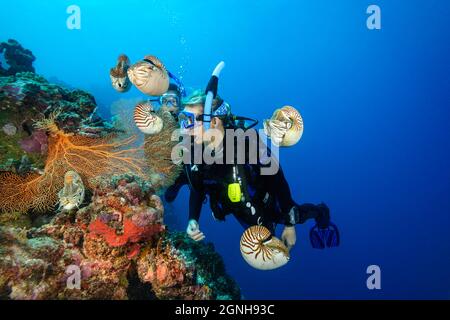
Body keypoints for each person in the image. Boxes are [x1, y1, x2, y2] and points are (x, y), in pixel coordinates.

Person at [165, 90, 340, 251]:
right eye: (182, 120)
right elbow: (197, 188)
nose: (183, 128)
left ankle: (320, 212)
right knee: (264, 240)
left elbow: (277, 179)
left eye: (189, 120)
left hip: (265, 200)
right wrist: (192, 219)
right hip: (236, 208)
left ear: (213, 121)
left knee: (297, 214)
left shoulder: (248, 144)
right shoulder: (193, 152)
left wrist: (289, 225)